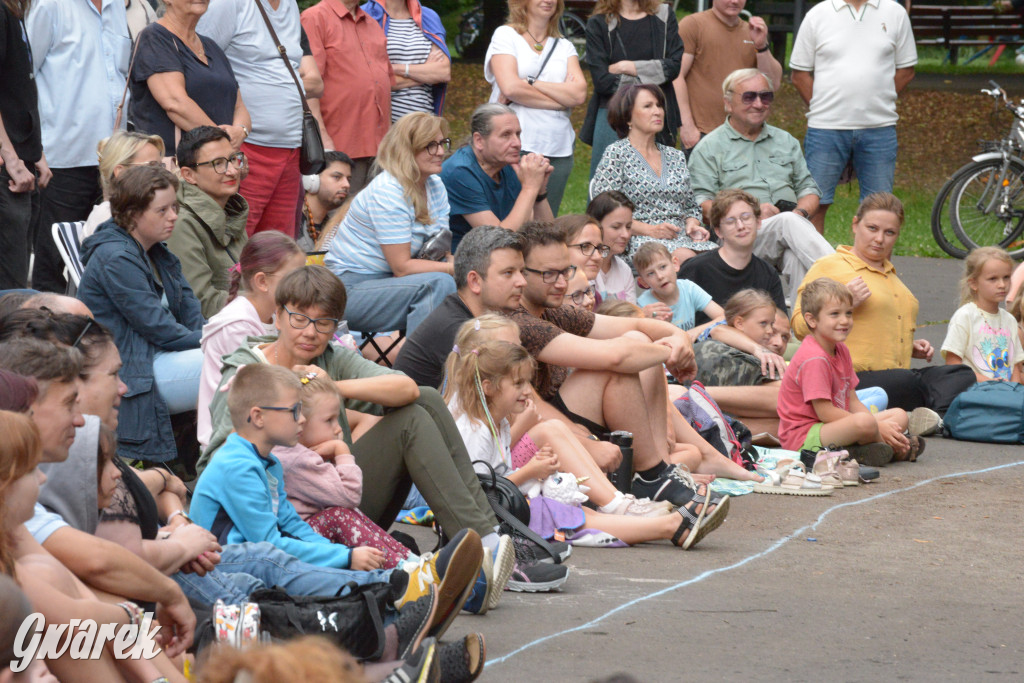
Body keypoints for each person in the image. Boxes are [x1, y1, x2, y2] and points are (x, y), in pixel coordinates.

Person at [200, 265, 503, 551]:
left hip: (338, 497)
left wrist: (333, 386)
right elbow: (218, 462)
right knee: (412, 422)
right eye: (299, 318)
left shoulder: (330, 359)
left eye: (323, 323)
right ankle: (480, 542)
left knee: (425, 399)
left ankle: (487, 535)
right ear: (277, 317)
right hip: (287, 517)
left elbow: (407, 388)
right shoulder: (247, 372)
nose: (310, 332)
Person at [508, 222, 738, 510]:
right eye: (548, 274)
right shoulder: (518, 322)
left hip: (564, 426)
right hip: (532, 441)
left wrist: (679, 337)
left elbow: (638, 324)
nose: (560, 283)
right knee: (623, 359)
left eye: (564, 271)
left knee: (636, 340)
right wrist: (667, 351)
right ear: (520, 274)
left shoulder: (553, 312)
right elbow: (616, 358)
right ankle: (654, 475)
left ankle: (659, 471)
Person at [448, 339, 722, 552]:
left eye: (527, 382)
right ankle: (672, 526)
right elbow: (478, 491)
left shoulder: (499, 424)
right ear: (488, 387)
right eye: (518, 383)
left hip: (511, 504)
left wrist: (536, 470)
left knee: (584, 513)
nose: (527, 391)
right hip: (495, 517)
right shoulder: (475, 430)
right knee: (578, 519)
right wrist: (531, 471)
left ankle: (667, 525)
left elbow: (498, 475)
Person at [0, 411, 189, 682]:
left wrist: (156, 676)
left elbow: (84, 598)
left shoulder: (11, 531)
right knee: (67, 617)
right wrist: (133, 615)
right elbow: (74, 617)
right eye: (31, 469)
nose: (42, 479)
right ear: (4, 485)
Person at [791, 192, 970, 421]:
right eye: (872, 228)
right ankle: (929, 415)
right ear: (855, 225)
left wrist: (908, 346)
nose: (879, 239)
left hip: (898, 377)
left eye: (889, 233)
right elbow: (798, 325)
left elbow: (876, 327)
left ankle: (931, 418)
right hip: (854, 379)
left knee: (959, 374)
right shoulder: (829, 266)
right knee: (905, 381)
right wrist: (845, 302)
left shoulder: (896, 281)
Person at [77, 165, 205, 462]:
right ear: (134, 214)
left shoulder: (156, 250)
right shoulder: (115, 257)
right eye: (162, 210)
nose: (174, 216)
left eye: (175, 206)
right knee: (232, 363)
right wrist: (212, 339)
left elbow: (190, 307)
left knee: (243, 352)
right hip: (134, 369)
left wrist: (215, 334)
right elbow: (157, 327)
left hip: (157, 356)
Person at [688, 68, 834, 303]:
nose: (758, 103)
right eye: (749, 97)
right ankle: (845, 278)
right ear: (728, 103)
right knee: (787, 222)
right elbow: (702, 204)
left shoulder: (786, 141)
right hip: (738, 234)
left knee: (795, 257)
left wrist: (798, 214)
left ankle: (800, 330)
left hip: (785, 230)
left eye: (765, 96)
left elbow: (809, 190)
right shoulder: (709, 147)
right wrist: (751, 214)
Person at [26, 0, 129, 293]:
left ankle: (94, 333)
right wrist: (34, 148)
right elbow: (22, 74)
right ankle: (46, 336)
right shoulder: (50, 5)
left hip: (114, 161)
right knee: (53, 260)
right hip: (62, 159)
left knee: (110, 255)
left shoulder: (117, 6)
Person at [198, 0, 324, 236]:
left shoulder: (290, 5)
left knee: (278, 248)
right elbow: (198, 63)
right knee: (237, 241)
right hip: (247, 148)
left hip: (291, 148)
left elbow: (309, 76)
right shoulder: (229, 4)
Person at [789, 0, 917, 233]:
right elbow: (799, 75)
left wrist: (877, 100)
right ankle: (814, 267)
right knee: (815, 204)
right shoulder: (818, 14)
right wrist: (825, 107)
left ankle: (872, 270)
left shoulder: (895, 12)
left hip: (879, 127)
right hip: (825, 129)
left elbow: (906, 71)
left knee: (880, 209)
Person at [324, 112, 455, 335]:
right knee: (438, 285)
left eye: (443, 143)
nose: (441, 151)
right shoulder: (388, 190)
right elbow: (402, 267)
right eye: (430, 145)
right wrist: (456, 268)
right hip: (348, 290)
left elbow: (439, 249)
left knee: (473, 284)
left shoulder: (435, 185)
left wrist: (458, 267)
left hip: (392, 284)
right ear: (407, 149)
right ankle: (419, 367)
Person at [274, 372, 419, 570]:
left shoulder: (292, 451)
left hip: (301, 536)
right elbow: (349, 495)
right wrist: (342, 451)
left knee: (344, 512)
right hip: (299, 543)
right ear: (300, 422)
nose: (337, 428)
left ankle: (411, 563)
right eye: (329, 420)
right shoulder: (298, 458)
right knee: (339, 515)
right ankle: (403, 569)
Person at [779, 277, 918, 465]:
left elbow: (852, 401)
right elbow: (825, 413)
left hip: (834, 426)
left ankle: (862, 449)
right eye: (835, 314)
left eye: (849, 313)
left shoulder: (841, 349)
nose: (844, 321)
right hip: (805, 436)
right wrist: (876, 426)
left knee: (899, 415)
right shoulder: (815, 358)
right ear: (812, 320)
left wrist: (876, 426)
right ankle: (896, 447)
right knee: (865, 423)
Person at [198, 231, 306, 447]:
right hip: (231, 438)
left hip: (266, 422)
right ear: (262, 281)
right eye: (295, 279)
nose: (303, 286)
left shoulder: (274, 314)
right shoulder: (237, 325)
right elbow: (258, 391)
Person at [485, 0, 587, 215]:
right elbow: (511, 88)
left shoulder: (564, 46)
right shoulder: (505, 35)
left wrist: (530, 81)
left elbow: (578, 94)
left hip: (557, 147)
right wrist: (560, 100)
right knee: (510, 219)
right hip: (514, 143)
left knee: (545, 225)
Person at [590, 84, 713, 263]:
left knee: (723, 258)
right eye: (648, 106)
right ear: (628, 117)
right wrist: (651, 230)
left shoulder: (675, 156)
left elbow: (691, 207)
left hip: (681, 239)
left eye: (659, 105)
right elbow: (605, 212)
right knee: (688, 260)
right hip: (636, 240)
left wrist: (692, 225)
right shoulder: (617, 154)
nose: (657, 111)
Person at [393, 225, 527, 389]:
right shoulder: (458, 330)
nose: (522, 281)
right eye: (508, 273)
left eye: (522, 271)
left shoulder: (471, 316)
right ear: (475, 281)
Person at [128, 0, 251, 157]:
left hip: (216, 166)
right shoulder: (154, 38)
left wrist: (240, 130)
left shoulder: (211, 46)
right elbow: (175, 103)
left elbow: (239, 105)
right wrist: (221, 141)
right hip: (176, 169)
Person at [583, 0, 682, 177]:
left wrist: (627, 67)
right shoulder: (598, 23)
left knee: (659, 187)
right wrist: (653, 74)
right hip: (613, 115)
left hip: (657, 114)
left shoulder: (664, 16)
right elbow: (603, 81)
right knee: (607, 193)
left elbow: (673, 67)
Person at [301, 0, 391, 195]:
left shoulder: (372, 23)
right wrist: (322, 138)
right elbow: (308, 86)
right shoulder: (315, 17)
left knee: (376, 217)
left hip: (381, 149)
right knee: (339, 218)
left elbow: (384, 83)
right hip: (341, 146)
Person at [672, 0, 782, 154]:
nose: (734, 1)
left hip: (745, 134)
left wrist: (761, 46)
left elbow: (773, 84)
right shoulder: (693, 25)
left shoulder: (751, 31)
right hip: (703, 133)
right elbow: (676, 76)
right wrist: (686, 125)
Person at [440, 103, 554, 251]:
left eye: (518, 134)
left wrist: (540, 191)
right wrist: (530, 187)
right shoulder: (460, 172)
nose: (517, 143)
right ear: (479, 140)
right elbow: (499, 242)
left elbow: (548, 237)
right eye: (506, 135)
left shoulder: (506, 165)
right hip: (467, 263)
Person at [167, 126, 250, 318]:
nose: (232, 171)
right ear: (189, 175)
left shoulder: (232, 210)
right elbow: (201, 302)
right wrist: (266, 300)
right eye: (218, 164)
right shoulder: (180, 223)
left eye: (233, 159)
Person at [680, 189, 787, 327]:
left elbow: (779, 326)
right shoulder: (695, 269)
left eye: (746, 217)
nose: (741, 226)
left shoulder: (768, 274)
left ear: (758, 222)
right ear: (718, 231)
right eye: (730, 221)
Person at [0, 0, 49, 290]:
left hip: (23, 157)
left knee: (18, 280)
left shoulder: (15, 9)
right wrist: (12, 157)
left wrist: (35, 151)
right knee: (11, 288)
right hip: (8, 169)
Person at [942, 247, 1024, 383]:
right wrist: (988, 382)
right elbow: (953, 364)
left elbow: (1015, 365)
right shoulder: (965, 316)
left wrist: (1013, 390)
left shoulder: (1009, 320)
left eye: (1006, 277)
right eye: (993, 279)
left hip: (1005, 394)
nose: (1002, 285)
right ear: (973, 283)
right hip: (975, 394)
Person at [362, 0, 451, 121]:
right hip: (384, 126)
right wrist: (426, 73)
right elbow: (370, 81)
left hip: (425, 124)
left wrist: (395, 68)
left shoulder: (428, 17)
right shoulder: (365, 15)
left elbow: (443, 73)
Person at [84, 131, 166, 237]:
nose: (162, 173)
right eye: (152, 166)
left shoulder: (134, 213)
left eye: (161, 166)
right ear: (121, 172)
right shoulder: (109, 217)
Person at [634, 241, 722, 337]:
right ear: (643, 282)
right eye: (650, 273)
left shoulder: (688, 288)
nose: (659, 276)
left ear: (675, 264)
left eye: (663, 267)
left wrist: (695, 331)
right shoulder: (644, 305)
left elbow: (723, 317)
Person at [587, 191, 637, 303]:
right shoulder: (585, 266)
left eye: (628, 227)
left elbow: (633, 315)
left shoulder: (624, 270)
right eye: (616, 227)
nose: (626, 234)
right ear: (596, 226)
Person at [299, 150, 352, 252]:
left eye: (348, 179)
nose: (347, 185)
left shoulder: (338, 226)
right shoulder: (291, 223)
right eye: (337, 177)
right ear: (312, 180)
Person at [554, 213, 607, 286]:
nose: (598, 257)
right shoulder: (543, 296)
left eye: (599, 248)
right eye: (585, 247)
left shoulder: (595, 293)